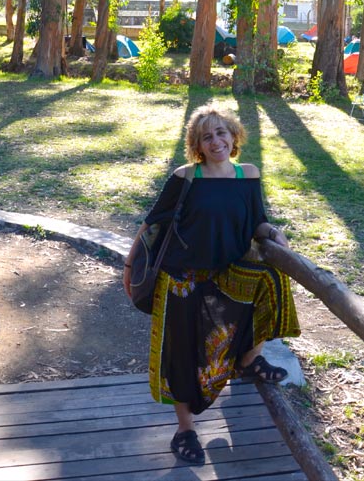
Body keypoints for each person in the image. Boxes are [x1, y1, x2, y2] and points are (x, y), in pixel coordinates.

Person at [123, 103, 300, 466]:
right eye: (207, 136)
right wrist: (130, 265)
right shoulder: (186, 177)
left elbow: (257, 222)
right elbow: (152, 222)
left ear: (234, 136)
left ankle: (250, 359)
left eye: (221, 133)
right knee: (182, 355)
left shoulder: (247, 175)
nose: (216, 140)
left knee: (271, 279)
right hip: (181, 280)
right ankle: (184, 430)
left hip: (226, 272)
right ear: (197, 145)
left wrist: (273, 233)